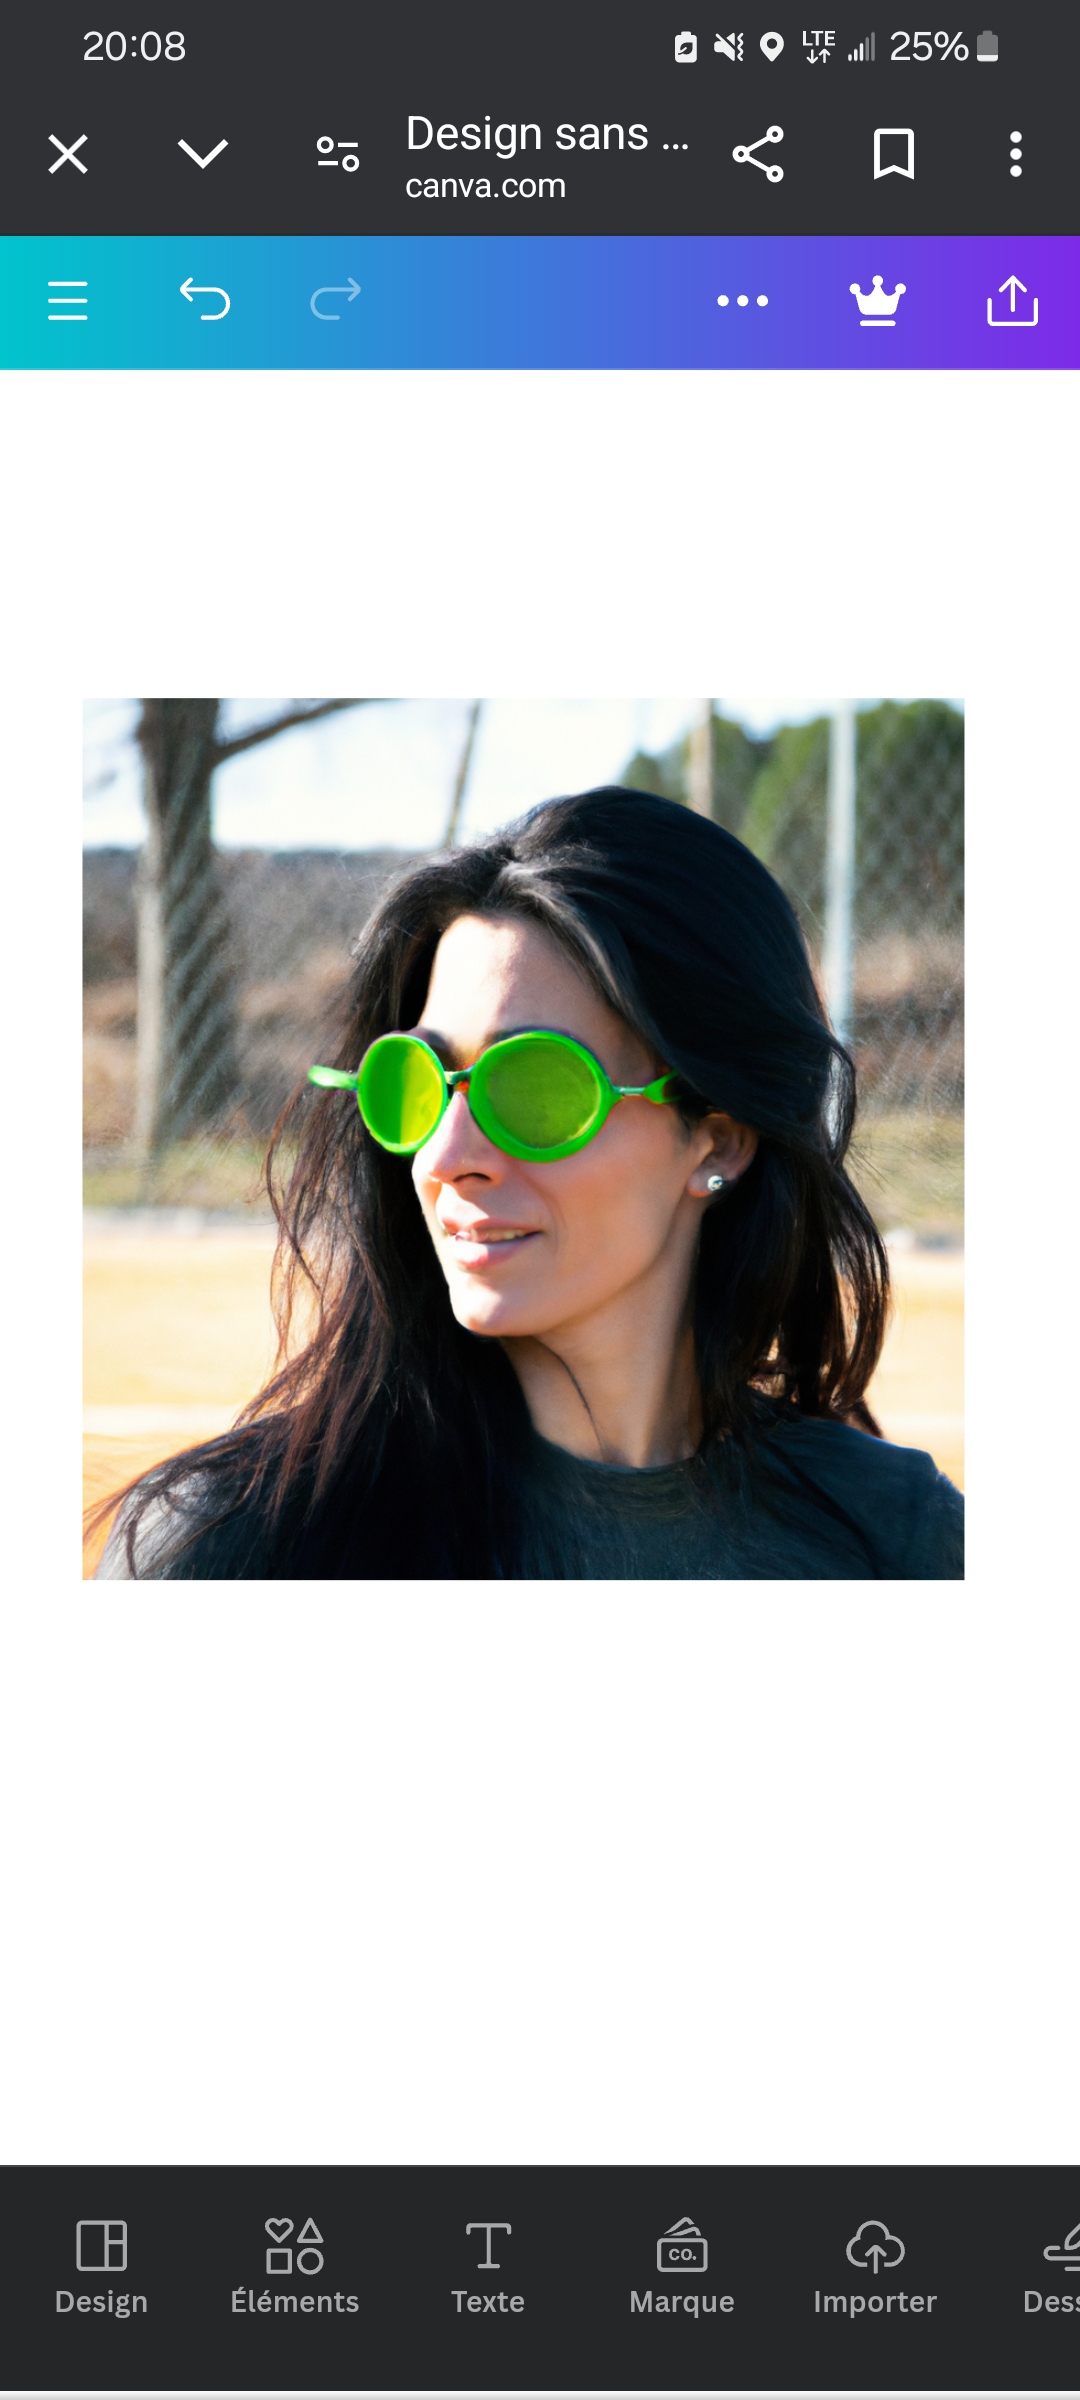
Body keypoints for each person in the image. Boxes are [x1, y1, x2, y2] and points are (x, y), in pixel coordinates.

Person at [97, 787, 963, 1580]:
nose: (444, 1155)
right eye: (417, 1085)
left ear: (721, 1140)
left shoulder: (896, 1539)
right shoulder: (236, 1548)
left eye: (536, 1089)